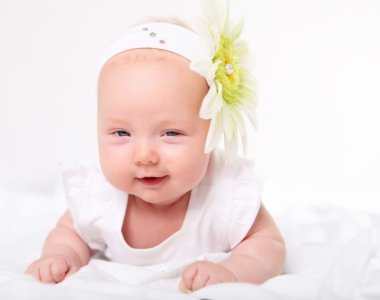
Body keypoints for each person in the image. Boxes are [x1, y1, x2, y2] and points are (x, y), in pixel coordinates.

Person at [25, 0, 285, 293]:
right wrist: (61, 255)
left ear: (213, 131)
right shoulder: (98, 195)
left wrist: (234, 271)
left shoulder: (226, 195)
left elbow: (269, 243)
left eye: (170, 133)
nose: (144, 156)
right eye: (122, 133)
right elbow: (69, 231)